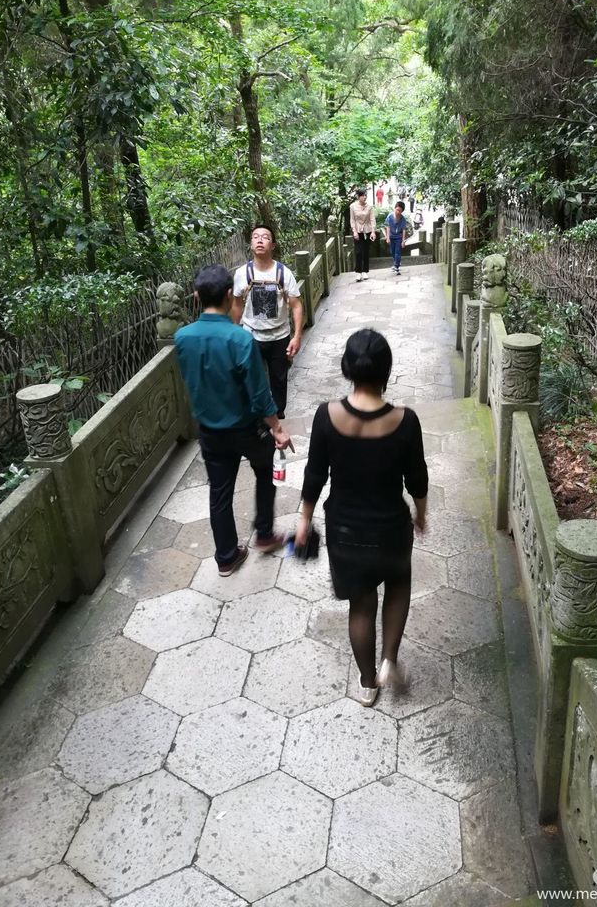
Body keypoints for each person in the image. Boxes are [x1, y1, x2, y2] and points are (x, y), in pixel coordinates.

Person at [295, 329, 428, 707]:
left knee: (361, 604)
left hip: (345, 530)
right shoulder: (406, 421)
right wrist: (421, 515)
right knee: (398, 584)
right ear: (386, 370)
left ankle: (368, 684)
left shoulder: (326, 416)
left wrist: (304, 520)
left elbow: (314, 474)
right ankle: (389, 660)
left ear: (347, 369)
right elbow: (417, 478)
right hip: (390, 527)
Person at [175, 264, 293, 575]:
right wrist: (277, 429)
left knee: (220, 491)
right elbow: (259, 393)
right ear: (230, 295)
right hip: (247, 428)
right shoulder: (240, 340)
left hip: (210, 431)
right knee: (264, 471)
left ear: (197, 296)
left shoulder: (183, 337)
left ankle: (226, 556)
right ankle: (265, 534)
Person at [231, 225, 303, 419]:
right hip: (250, 334)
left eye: (265, 237)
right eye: (255, 237)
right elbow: (236, 306)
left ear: (273, 245)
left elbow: (296, 305)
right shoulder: (241, 274)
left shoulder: (283, 273)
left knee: (279, 378)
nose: (260, 240)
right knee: (252, 377)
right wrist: (232, 334)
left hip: (279, 335)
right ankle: (256, 415)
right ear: (251, 244)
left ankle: (278, 413)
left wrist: (296, 336)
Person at [350, 188, 377, 282]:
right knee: (358, 252)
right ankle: (358, 272)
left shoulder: (369, 207)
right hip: (357, 230)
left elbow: (372, 219)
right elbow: (352, 219)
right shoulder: (352, 206)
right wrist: (354, 231)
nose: (364, 197)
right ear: (358, 196)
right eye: (362, 195)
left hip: (367, 230)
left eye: (365, 195)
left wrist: (373, 231)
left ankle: (365, 271)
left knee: (365, 251)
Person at [384, 201, 408, 275]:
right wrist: (387, 237)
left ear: (402, 211)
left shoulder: (403, 219)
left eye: (400, 211)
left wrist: (403, 241)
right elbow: (387, 227)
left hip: (398, 237)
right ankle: (396, 262)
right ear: (394, 208)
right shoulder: (390, 216)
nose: (398, 212)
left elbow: (404, 230)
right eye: (397, 210)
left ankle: (396, 266)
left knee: (398, 252)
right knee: (393, 251)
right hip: (391, 236)